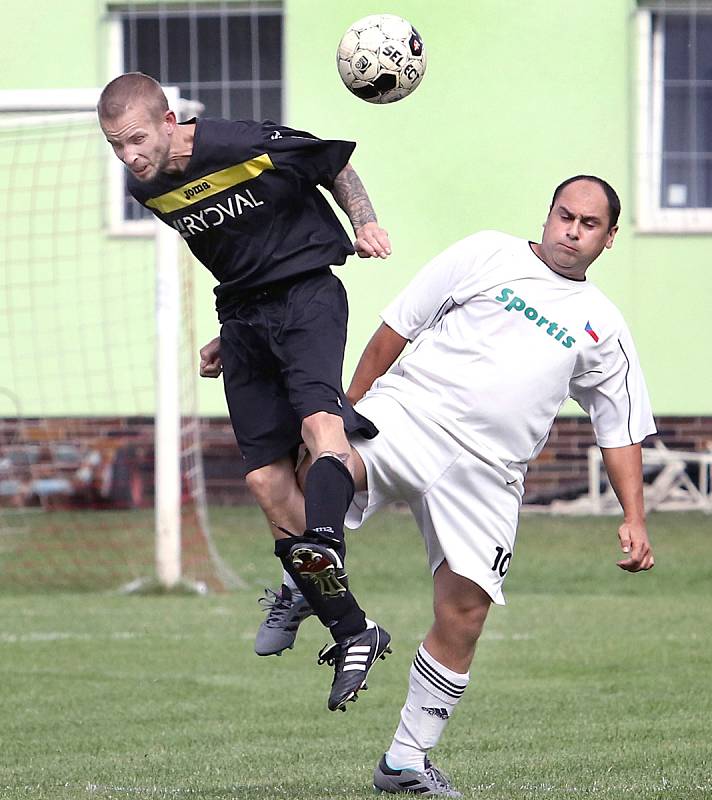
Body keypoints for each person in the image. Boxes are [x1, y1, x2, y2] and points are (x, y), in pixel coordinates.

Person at [273, 176, 656, 795]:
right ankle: (304, 576)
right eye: (565, 215)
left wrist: (634, 518)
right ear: (549, 213)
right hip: (413, 413)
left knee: (465, 613)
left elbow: (620, 429)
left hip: (491, 472)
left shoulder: (602, 327)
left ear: (608, 240)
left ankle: (404, 762)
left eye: (589, 225)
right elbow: (396, 328)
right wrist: (344, 408)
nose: (572, 231)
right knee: (331, 462)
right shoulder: (485, 254)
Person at [97, 72, 393, 712]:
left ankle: (315, 557)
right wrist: (229, 336)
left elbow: (333, 161)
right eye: (116, 146)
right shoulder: (144, 187)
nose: (129, 156)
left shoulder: (239, 142)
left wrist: (364, 223)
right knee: (264, 482)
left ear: (170, 120)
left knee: (321, 431)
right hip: (243, 320)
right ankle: (352, 626)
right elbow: (232, 249)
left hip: (308, 295)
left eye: (137, 140)